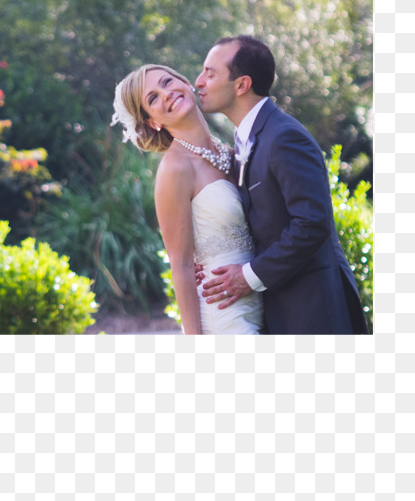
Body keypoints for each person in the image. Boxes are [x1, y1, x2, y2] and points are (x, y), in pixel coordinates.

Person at [196, 36, 370, 334]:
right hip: (272, 307)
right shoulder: (241, 140)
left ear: (241, 85)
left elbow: (312, 223)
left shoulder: (285, 137)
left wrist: (248, 276)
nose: (198, 82)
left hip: (310, 309)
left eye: (210, 73)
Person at [112, 62, 263, 335]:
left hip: (261, 300)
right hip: (223, 314)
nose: (166, 94)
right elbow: (180, 266)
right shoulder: (175, 168)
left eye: (167, 82)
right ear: (152, 121)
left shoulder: (228, 151)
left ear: (185, 82)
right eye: (153, 98)